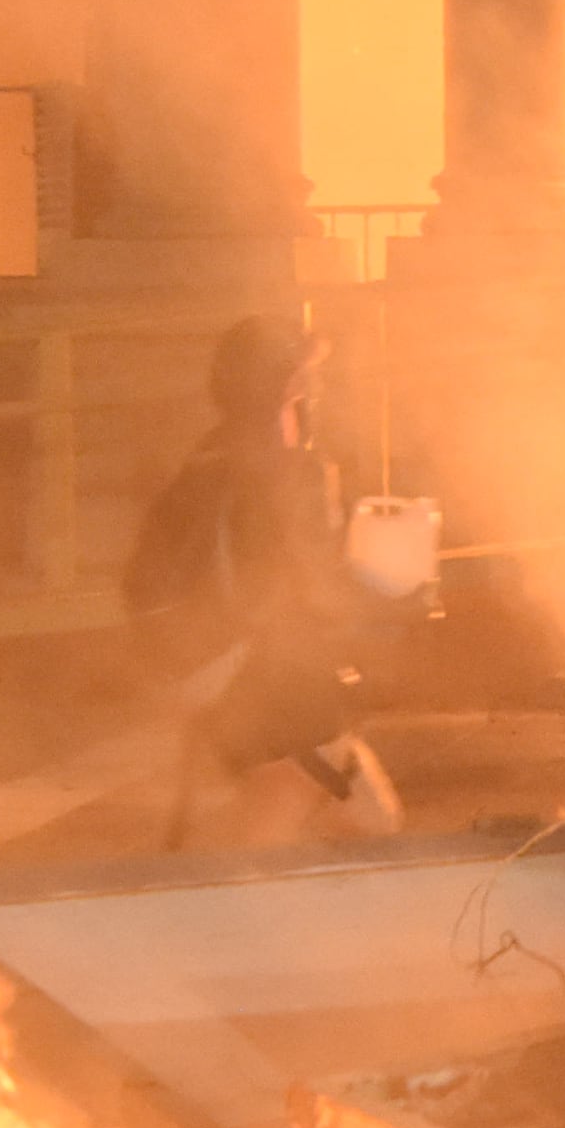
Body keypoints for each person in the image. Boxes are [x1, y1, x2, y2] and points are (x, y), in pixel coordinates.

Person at [125, 314, 400, 847]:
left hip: (202, 665)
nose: (314, 390)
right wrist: (389, 591)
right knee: (270, 843)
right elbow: (304, 588)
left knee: (371, 821)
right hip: (261, 677)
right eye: (305, 378)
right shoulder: (287, 472)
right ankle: (223, 908)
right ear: (288, 390)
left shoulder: (211, 454)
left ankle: (254, 890)